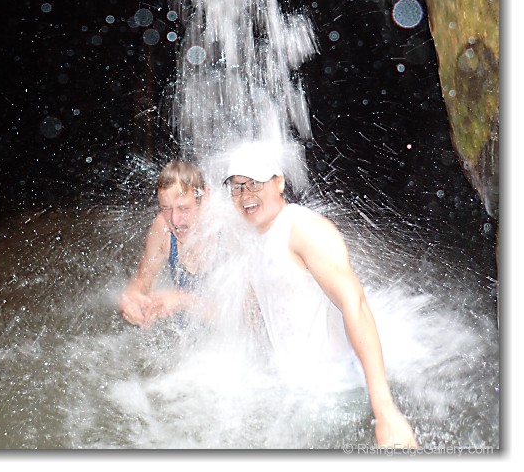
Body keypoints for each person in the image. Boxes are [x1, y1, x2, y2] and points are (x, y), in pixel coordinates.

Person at [223, 142, 418, 449]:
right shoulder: (255, 240)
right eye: (237, 187)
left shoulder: (303, 229)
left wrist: (385, 411)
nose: (246, 195)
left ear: (279, 182)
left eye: (255, 184)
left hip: (337, 389)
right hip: (301, 389)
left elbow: (355, 305)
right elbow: (250, 314)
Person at [119, 159, 213, 328]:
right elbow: (143, 280)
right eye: (166, 208)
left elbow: (248, 315)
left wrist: (183, 300)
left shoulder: (227, 232)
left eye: (183, 208)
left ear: (205, 197)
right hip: (188, 336)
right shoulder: (163, 227)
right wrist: (133, 299)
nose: (174, 220)